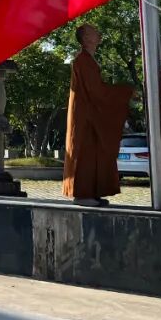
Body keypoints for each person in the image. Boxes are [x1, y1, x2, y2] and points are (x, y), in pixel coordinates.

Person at [62, 24, 135, 207]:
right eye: (93, 31)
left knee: (95, 152)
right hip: (85, 115)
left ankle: (93, 192)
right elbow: (96, 91)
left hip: (90, 113)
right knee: (85, 153)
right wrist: (125, 92)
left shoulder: (88, 59)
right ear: (86, 38)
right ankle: (82, 193)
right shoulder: (82, 60)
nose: (98, 33)